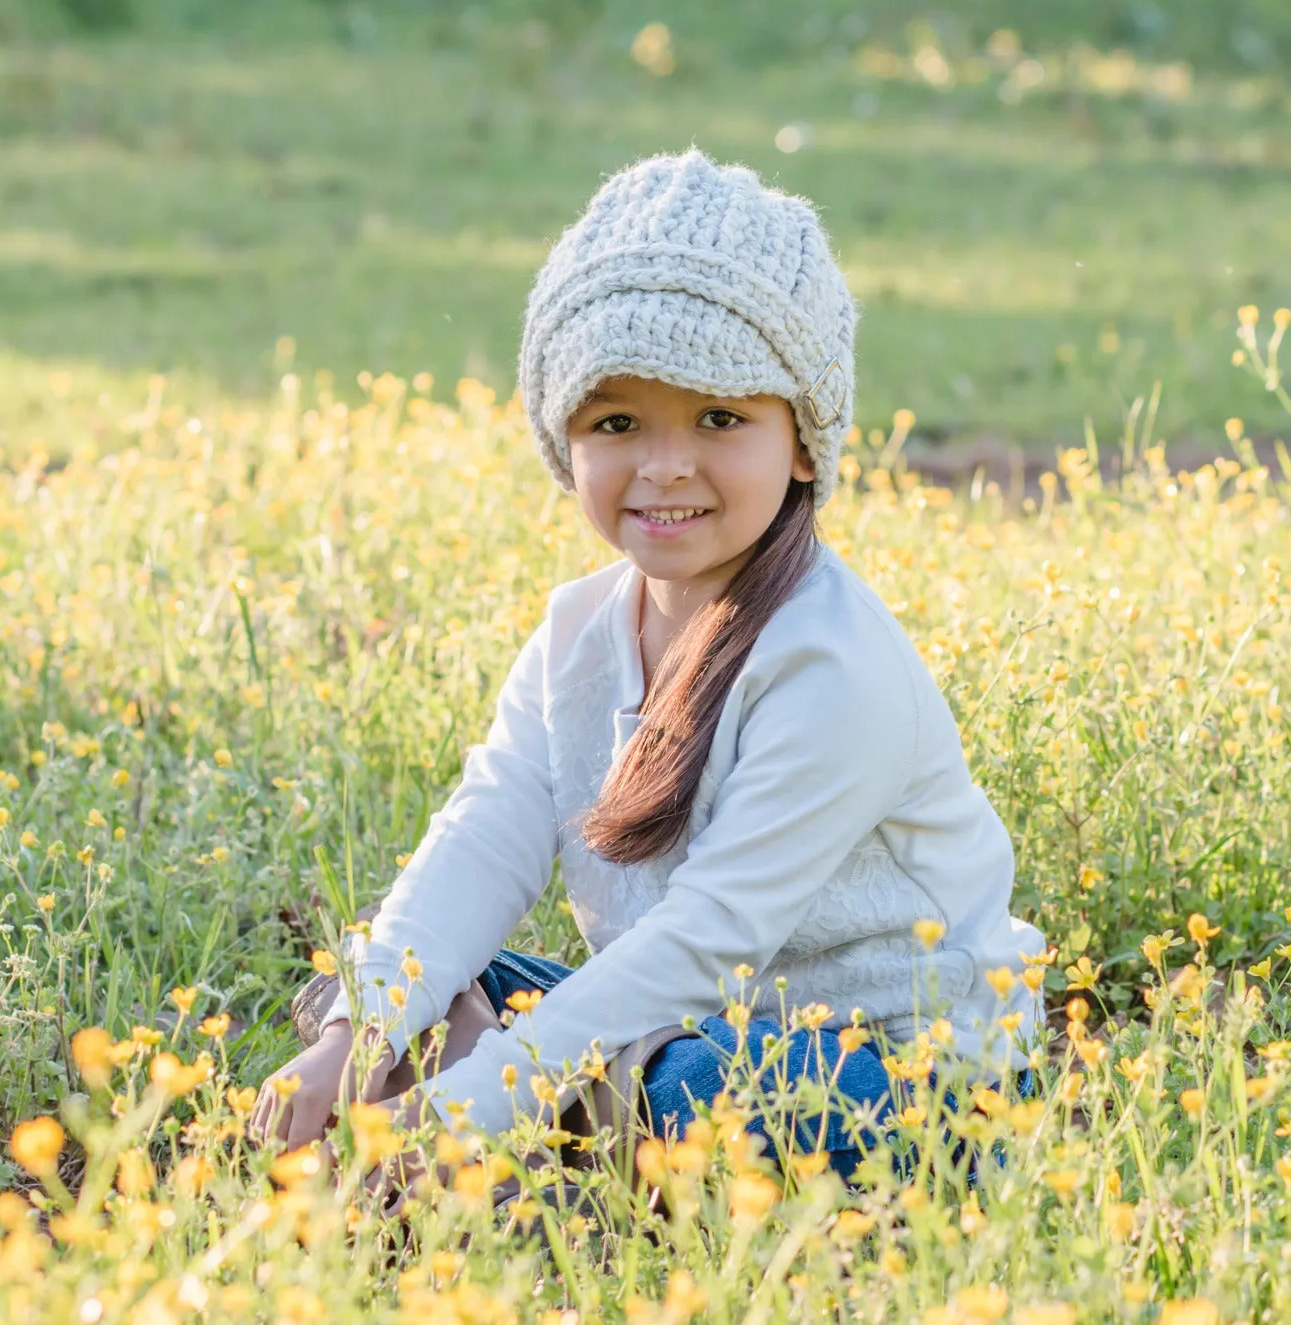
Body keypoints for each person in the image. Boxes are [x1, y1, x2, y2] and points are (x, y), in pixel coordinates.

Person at [247, 148, 1049, 1205]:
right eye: (616, 422)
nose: (665, 464)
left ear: (802, 442)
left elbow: (703, 942)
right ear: (562, 438)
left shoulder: (829, 663)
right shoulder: (578, 630)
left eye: (719, 418)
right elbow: (480, 843)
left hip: (899, 1084)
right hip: (685, 1018)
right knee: (396, 983)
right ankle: (547, 1114)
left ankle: (527, 1125)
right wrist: (356, 1036)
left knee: (694, 1086)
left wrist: (459, 1104)